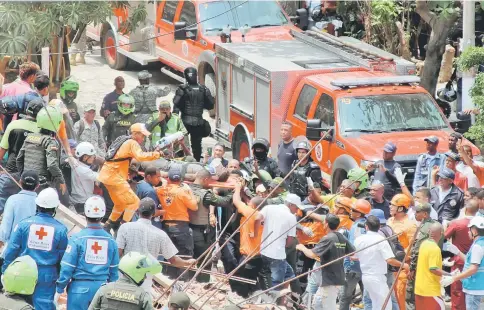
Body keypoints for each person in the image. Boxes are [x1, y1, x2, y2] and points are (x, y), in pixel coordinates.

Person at [2, 187, 68, 310]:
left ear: (37, 204)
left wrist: (5, 271)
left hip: (22, 273)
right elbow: (62, 259)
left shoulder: (23, 225)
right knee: (43, 306)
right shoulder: (61, 230)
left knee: (19, 305)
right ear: (54, 208)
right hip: (46, 276)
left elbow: (11, 251)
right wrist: (59, 279)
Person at [116, 198, 195, 292]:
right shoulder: (160, 234)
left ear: (137, 211)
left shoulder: (125, 227)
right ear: (154, 213)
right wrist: (187, 262)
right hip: (145, 280)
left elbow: (118, 253)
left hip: (125, 275)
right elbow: (173, 260)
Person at [55, 196, 119, 310]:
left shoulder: (77, 239)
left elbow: (67, 267)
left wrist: (59, 288)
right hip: (102, 291)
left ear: (85, 213)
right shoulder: (111, 241)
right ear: (103, 214)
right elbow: (114, 272)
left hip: (79, 292)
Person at [99, 123, 162, 232]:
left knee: (120, 203)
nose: (143, 138)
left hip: (106, 175)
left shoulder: (124, 140)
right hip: (115, 176)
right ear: (135, 134)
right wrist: (157, 154)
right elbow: (140, 156)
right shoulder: (132, 142)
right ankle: (124, 227)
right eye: (142, 135)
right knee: (135, 202)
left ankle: (107, 226)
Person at [297, 214, 354, 310]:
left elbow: (312, 254)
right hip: (337, 277)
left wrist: (301, 247)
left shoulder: (328, 238)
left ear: (326, 224)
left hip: (330, 279)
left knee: (324, 305)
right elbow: (352, 252)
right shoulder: (341, 237)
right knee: (320, 304)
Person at [354, 215, 409, 310]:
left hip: (366, 277)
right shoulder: (381, 240)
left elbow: (356, 257)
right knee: (386, 306)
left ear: (366, 226)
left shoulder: (358, 240)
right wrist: (404, 265)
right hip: (377, 278)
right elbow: (389, 260)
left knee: (376, 304)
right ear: (379, 227)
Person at [155, 165, 198, 279]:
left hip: (166, 227)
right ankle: (182, 281)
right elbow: (194, 207)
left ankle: (167, 279)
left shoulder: (161, 191)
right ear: (180, 180)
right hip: (181, 227)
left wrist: (164, 182)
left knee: (168, 255)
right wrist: (189, 191)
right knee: (185, 256)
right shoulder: (183, 192)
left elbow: (160, 187)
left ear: (168, 178)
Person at [16, 106, 67, 194]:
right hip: (43, 186)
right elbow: (52, 165)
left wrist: (23, 176)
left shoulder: (29, 137)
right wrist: (61, 181)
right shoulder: (50, 141)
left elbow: (19, 159)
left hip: (26, 183)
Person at [88, 251, 160, 310]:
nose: (144, 278)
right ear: (136, 272)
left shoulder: (104, 289)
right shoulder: (143, 296)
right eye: (144, 274)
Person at [255, 194, 298, 291]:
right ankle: (273, 302)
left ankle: (282, 297)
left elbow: (257, 219)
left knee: (289, 274)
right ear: (291, 205)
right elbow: (290, 240)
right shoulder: (291, 217)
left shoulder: (268, 208)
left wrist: (255, 234)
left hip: (264, 250)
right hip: (278, 255)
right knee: (276, 283)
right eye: (296, 207)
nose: (297, 210)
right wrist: (284, 246)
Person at [441, 217, 484, 309]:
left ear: (474, 231)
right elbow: (471, 262)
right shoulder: (480, 243)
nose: (468, 232)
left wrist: (454, 278)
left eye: (469, 230)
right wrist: (457, 252)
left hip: (474, 289)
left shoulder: (477, 246)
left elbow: (473, 269)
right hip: (477, 287)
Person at [173, 67, 214, 161]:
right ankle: (196, 161)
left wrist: (174, 120)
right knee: (196, 145)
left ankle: (184, 160)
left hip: (185, 122)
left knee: (182, 143)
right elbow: (210, 105)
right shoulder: (203, 89)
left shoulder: (182, 89)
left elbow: (176, 104)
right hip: (198, 122)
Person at [444, 199, 478, 310]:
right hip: (477, 262)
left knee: (457, 291)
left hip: (459, 261)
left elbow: (444, 237)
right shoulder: (480, 223)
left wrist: (445, 225)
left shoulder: (457, 223)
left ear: (466, 209)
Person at [406, 202, 440, 310]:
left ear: (425, 214)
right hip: (433, 265)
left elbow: (416, 250)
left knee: (410, 293)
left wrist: (412, 268)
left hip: (421, 266)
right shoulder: (436, 225)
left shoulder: (425, 228)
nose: (415, 214)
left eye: (418, 212)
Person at [339, 200, 370, 310]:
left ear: (359, 213)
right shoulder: (366, 224)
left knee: (344, 297)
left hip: (353, 266)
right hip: (364, 266)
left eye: (353, 210)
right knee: (366, 297)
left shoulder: (357, 226)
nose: (350, 212)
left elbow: (357, 246)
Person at [0, 98, 44, 173]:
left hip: (11, 171)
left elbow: (2, 150)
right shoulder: (42, 130)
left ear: (27, 110)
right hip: (31, 174)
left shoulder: (13, 124)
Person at [0, 171, 39, 249]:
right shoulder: (40, 202)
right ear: (37, 185)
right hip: (33, 249)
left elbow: (6, 226)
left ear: (20, 182)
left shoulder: (13, 200)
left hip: (13, 247)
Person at [414, 222, 448, 310]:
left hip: (419, 289)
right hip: (430, 291)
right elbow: (433, 269)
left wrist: (442, 262)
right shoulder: (435, 249)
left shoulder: (424, 244)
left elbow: (426, 262)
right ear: (441, 233)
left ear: (429, 232)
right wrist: (449, 275)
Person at [70, 142, 99, 214]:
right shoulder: (85, 171)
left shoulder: (74, 163)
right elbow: (102, 177)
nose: (94, 158)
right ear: (85, 157)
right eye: (92, 156)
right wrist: (102, 164)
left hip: (77, 200)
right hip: (83, 203)